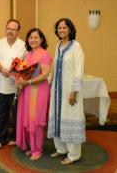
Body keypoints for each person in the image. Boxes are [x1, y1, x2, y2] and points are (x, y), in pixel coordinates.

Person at [47, 18, 86, 165]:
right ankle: (61, 148)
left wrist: (74, 91)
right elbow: (55, 69)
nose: (61, 30)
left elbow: (79, 70)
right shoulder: (58, 46)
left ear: (70, 29)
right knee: (58, 118)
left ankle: (74, 154)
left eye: (64, 27)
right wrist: (50, 84)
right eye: (59, 28)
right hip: (57, 92)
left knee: (71, 117)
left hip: (70, 91)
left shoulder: (76, 47)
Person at [0, 19, 26, 150]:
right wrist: (3, 70)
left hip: (16, 89)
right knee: (0, 116)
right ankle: (0, 139)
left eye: (13, 29)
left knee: (17, 116)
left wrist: (15, 73)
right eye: (8, 28)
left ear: (18, 31)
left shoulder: (24, 45)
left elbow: (26, 66)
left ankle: (16, 138)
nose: (10, 31)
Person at [15, 28, 52, 160]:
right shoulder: (27, 55)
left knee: (36, 120)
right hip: (26, 91)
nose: (33, 40)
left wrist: (27, 82)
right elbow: (22, 74)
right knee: (28, 119)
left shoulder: (45, 54)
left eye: (36, 37)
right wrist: (18, 81)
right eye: (31, 37)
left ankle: (38, 149)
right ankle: (32, 146)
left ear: (41, 39)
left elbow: (45, 75)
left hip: (39, 90)